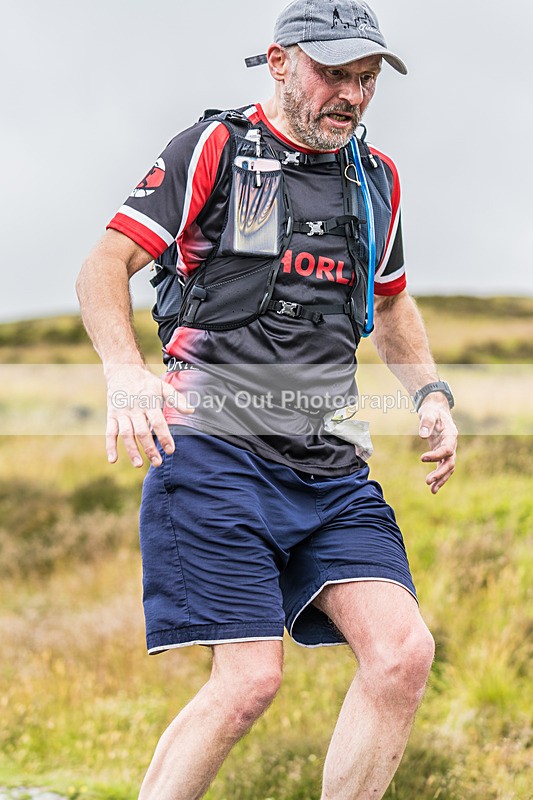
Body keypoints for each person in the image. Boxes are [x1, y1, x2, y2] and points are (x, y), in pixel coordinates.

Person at [77, 1, 458, 797]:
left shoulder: (375, 179)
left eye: (364, 80)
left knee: (401, 655)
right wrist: (125, 371)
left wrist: (428, 392)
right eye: (333, 74)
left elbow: (388, 305)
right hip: (214, 453)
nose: (349, 96)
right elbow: (103, 265)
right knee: (247, 681)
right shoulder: (214, 146)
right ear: (280, 61)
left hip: (329, 467)